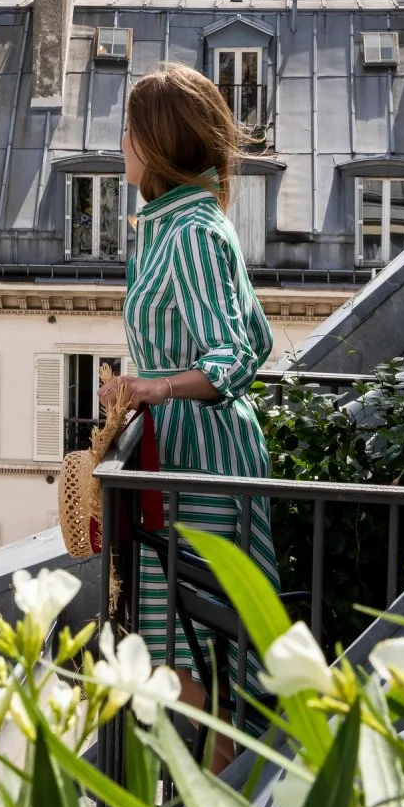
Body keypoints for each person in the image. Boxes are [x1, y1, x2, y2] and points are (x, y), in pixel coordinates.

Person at [99, 61, 278, 754]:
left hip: (197, 461)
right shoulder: (175, 225)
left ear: (158, 143)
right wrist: (148, 384)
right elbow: (259, 332)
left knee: (189, 645)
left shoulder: (193, 232)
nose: (121, 141)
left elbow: (234, 353)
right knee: (184, 638)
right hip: (183, 454)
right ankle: (219, 786)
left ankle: (222, 790)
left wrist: (154, 387)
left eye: (130, 129)